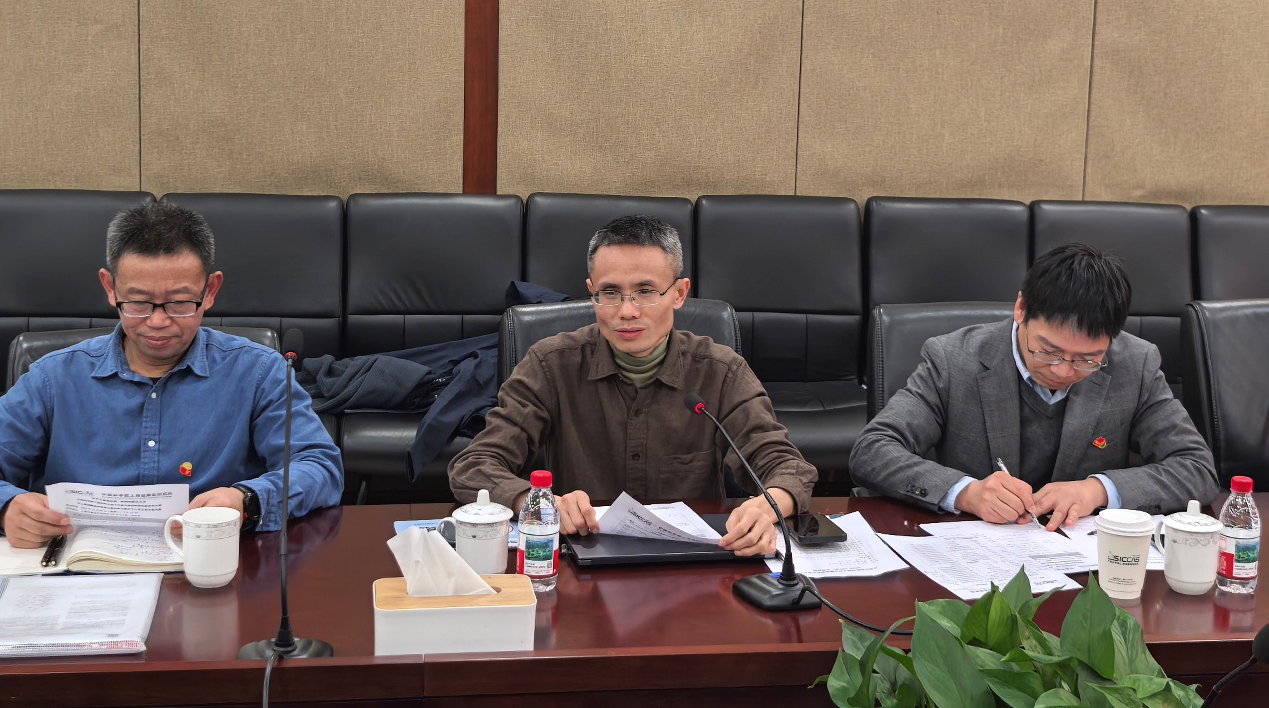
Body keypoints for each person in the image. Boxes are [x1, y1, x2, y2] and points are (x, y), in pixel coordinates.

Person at [448, 214, 817, 557]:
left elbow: (787, 466)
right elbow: (474, 465)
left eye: (645, 291)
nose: (627, 311)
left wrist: (768, 506)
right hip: (584, 559)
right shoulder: (550, 364)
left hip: (692, 563)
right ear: (592, 292)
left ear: (679, 293)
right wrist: (539, 504)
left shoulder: (721, 371)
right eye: (610, 292)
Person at [0, 201, 344, 548]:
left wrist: (248, 501)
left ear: (210, 291)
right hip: (78, 568)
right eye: (138, 302)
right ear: (110, 288)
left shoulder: (258, 372)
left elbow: (320, 466)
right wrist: (6, 508)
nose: (158, 321)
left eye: (180, 303)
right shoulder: (52, 378)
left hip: (210, 560)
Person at [850, 243, 1218, 529]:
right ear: (1021, 309)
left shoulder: (1135, 364)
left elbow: (1196, 468)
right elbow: (873, 451)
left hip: (1082, 565)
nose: (1063, 371)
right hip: (972, 556)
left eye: (1087, 359)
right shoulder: (953, 360)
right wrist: (966, 492)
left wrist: (1098, 490)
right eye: (1049, 351)